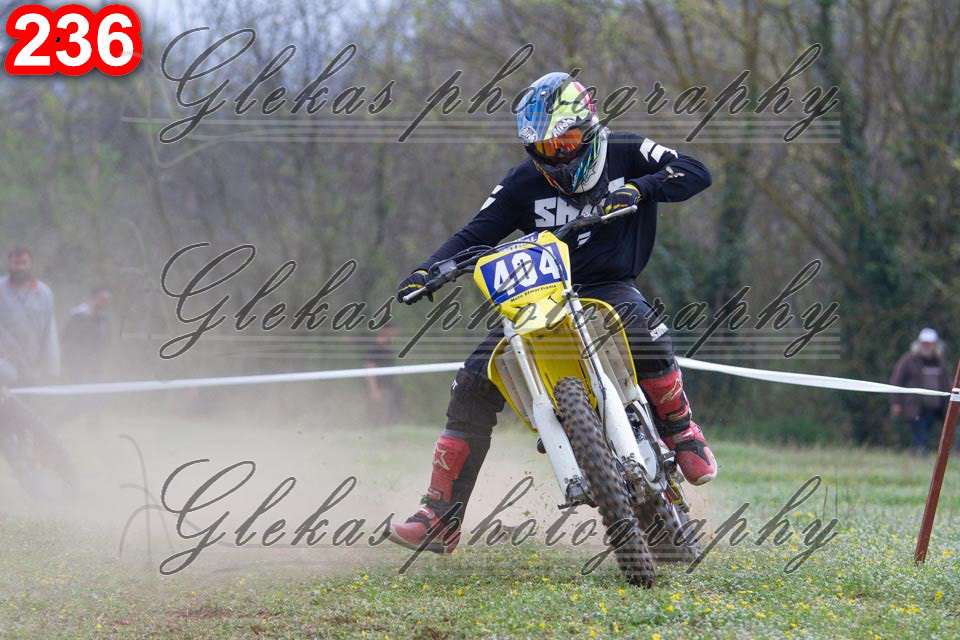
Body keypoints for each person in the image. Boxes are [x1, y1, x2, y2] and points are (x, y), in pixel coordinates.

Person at [390, 72, 717, 554]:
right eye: (545, 146)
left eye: (566, 140)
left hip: (608, 286)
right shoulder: (523, 181)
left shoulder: (626, 151)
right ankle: (441, 516)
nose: (558, 154)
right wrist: (428, 269)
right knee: (473, 381)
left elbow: (694, 171)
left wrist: (640, 189)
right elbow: (476, 232)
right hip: (540, 296)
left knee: (642, 326)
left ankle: (681, 431)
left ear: (589, 128)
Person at [0, 246, 60, 385]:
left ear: (31, 264)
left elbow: (50, 333)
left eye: (24, 263)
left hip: (34, 365)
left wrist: (53, 369)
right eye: (16, 263)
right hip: (4, 365)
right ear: (8, 264)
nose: (20, 267)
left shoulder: (44, 293)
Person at [890, 328, 951, 456]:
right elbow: (897, 380)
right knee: (918, 431)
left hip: (935, 407)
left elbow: (947, 383)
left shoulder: (941, 361)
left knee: (927, 431)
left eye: (929, 344)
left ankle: (922, 452)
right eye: (924, 343)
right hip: (915, 406)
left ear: (935, 345)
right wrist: (896, 402)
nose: (926, 346)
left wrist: (950, 403)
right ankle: (918, 452)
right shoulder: (908, 359)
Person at [61, 286, 113, 383]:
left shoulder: (104, 320)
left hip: (97, 369)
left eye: (107, 300)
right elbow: (69, 344)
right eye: (102, 299)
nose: (105, 303)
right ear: (92, 298)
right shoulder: (78, 317)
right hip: (77, 370)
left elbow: (106, 343)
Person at [363, 325, 401, 425]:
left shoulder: (389, 349)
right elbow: (370, 369)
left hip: (389, 388)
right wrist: (374, 390)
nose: (394, 335)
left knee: (389, 416)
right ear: (385, 331)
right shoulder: (374, 349)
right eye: (393, 332)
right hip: (380, 388)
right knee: (378, 416)